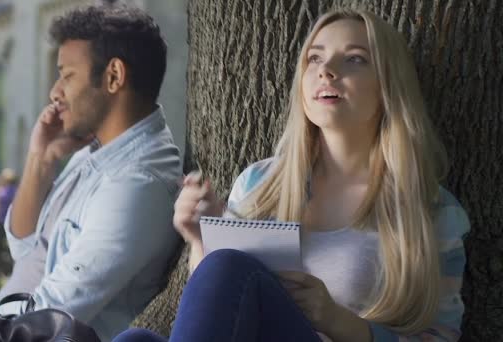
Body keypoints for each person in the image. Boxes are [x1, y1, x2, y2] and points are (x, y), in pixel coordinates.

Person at [114, 7, 469, 342]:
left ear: (389, 85)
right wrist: (200, 239)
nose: (326, 70)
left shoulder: (430, 208)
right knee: (136, 338)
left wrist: (340, 322)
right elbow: (219, 310)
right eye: (315, 57)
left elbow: (440, 336)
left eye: (355, 59)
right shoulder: (259, 183)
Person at [0, 4, 181, 342]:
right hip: (2, 314)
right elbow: (24, 248)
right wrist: (40, 158)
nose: (55, 91)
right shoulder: (99, 150)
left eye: (67, 75)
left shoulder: (137, 184)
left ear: (114, 76)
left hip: (16, 333)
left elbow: (49, 316)